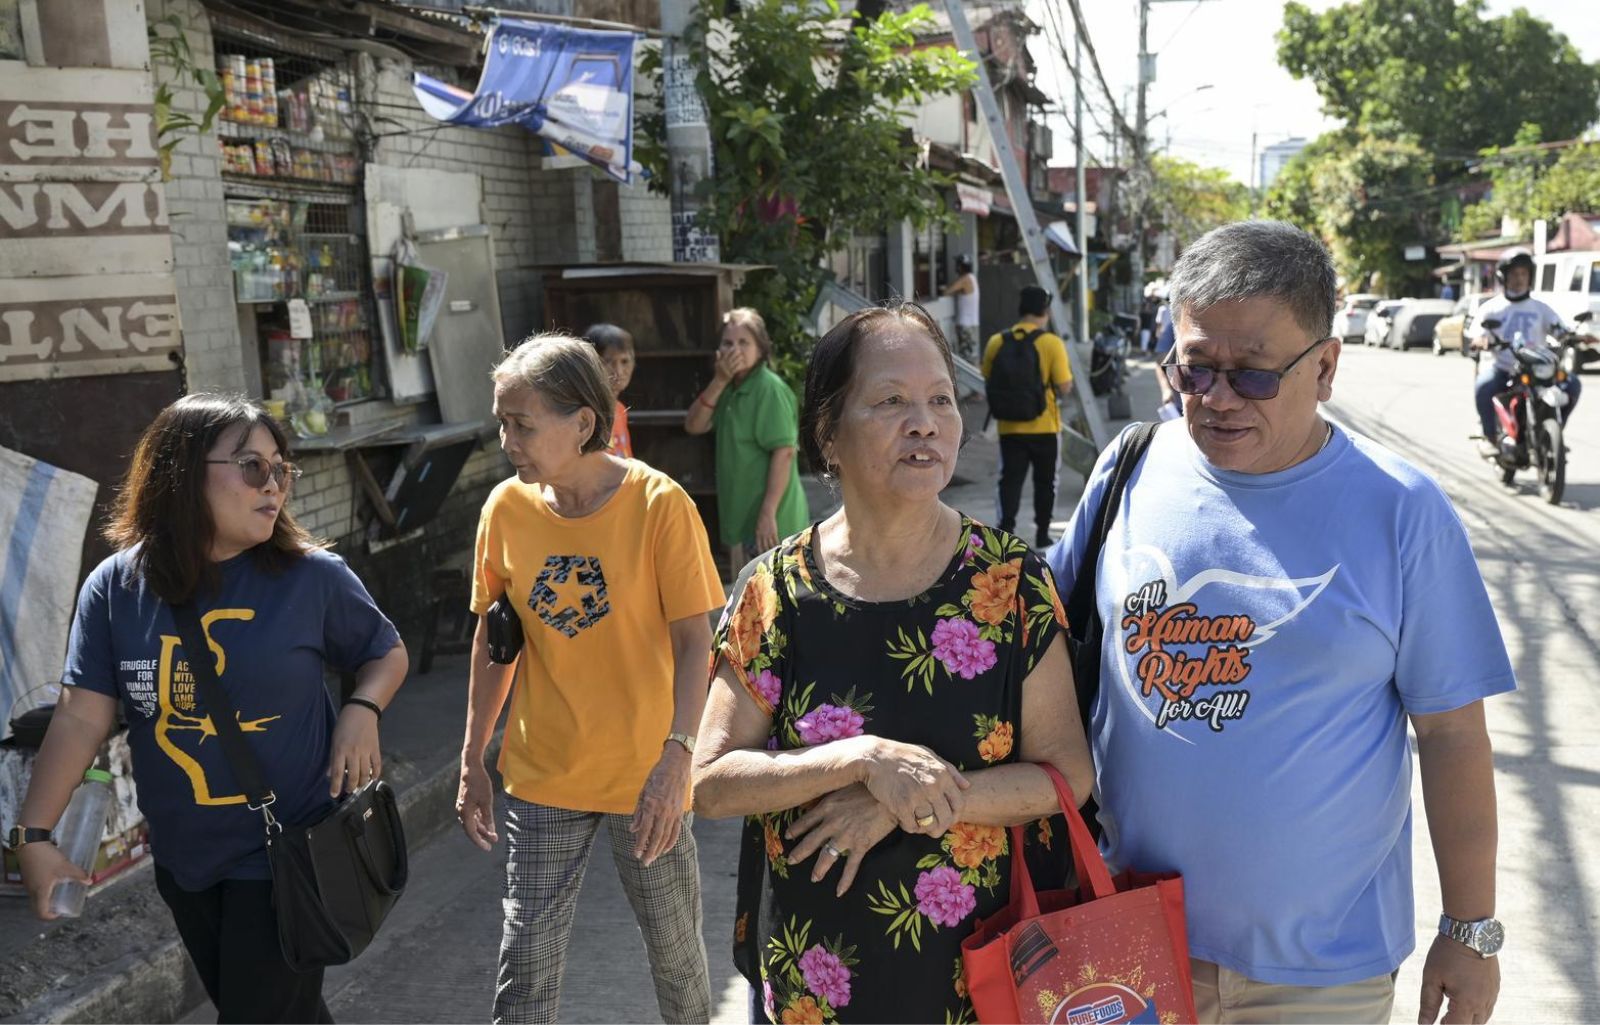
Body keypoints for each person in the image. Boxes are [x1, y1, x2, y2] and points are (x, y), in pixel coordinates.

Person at [1048, 221, 1511, 1025]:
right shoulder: (1129, 468)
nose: (1217, 397)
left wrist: (1470, 931)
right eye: (1194, 367)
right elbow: (1038, 641)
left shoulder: (1401, 511)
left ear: (1324, 366)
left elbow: (1452, 735)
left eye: (1253, 375)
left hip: (1321, 974)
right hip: (1124, 935)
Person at [692, 302, 1095, 1024]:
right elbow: (712, 784)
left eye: (941, 399)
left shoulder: (1009, 583)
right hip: (814, 984)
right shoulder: (775, 591)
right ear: (828, 435)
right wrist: (859, 759)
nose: (925, 423)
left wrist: (906, 799)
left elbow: (1067, 775)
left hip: (984, 980)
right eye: (890, 401)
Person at [12, 394, 407, 1023]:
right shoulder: (116, 587)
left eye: (280, 468)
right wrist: (33, 835)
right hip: (184, 858)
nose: (272, 484)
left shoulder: (313, 578)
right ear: (182, 473)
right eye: (251, 467)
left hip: (287, 851)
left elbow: (384, 651)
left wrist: (363, 707)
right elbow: (80, 716)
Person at [458, 333, 724, 1025]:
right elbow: (494, 641)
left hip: (646, 773)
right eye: (502, 423)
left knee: (676, 958)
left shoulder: (658, 504)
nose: (507, 441)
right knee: (525, 967)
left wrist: (679, 755)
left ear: (582, 422)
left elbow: (695, 641)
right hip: (544, 770)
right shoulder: (505, 510)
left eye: (522, 424)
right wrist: (472, 756)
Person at [684, 307, 810, 568]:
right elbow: (694, 425)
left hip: (772, 519)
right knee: (757, 589)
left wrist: (768, 513)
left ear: (760, 349)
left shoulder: (769, 389)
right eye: (728, 343)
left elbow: (784, 452)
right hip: (746, 516)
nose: (735, 350)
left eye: (744, 342)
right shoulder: (728, 387)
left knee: (776, 588)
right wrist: (719, 381)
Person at [981, 285, 1073, 549]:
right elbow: (1064, 385)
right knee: (1046, 483)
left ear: (1021, 309)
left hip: (1009, 427)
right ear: (1045, 311)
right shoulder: (1051, 343)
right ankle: (1043, 534)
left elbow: (987, 376)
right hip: (1046, 427)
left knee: (1009, 481)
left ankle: (1005, 534)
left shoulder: (997, 342)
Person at [1470, 247, 1580, 458]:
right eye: (1514, 274)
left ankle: (1552, 434)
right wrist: (1480, 340)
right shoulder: (1491, 308)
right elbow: (1477, 334)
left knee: (1573, 384)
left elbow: (1560, 330)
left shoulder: (1541, 308)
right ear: (1503, 277)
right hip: (1505, 370)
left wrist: (1576, 337)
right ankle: (1489, 437)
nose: (1519, 279)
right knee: (1483, 386)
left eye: (1524, 274)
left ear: (1530, 276)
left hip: (1538, 371)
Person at [583, 322, 636, 459]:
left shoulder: (620, 409)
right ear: (590, 365)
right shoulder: (586, 414)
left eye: (625, 361)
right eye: (608, 362)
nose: (618, 371)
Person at [941, 253, 981, 362]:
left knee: (967, 358)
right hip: (972, 324)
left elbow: (947, 292)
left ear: (961, 267)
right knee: (972, 355)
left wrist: (945, 288)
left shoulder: (965, 279)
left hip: (966, 325)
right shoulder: (972, 278)